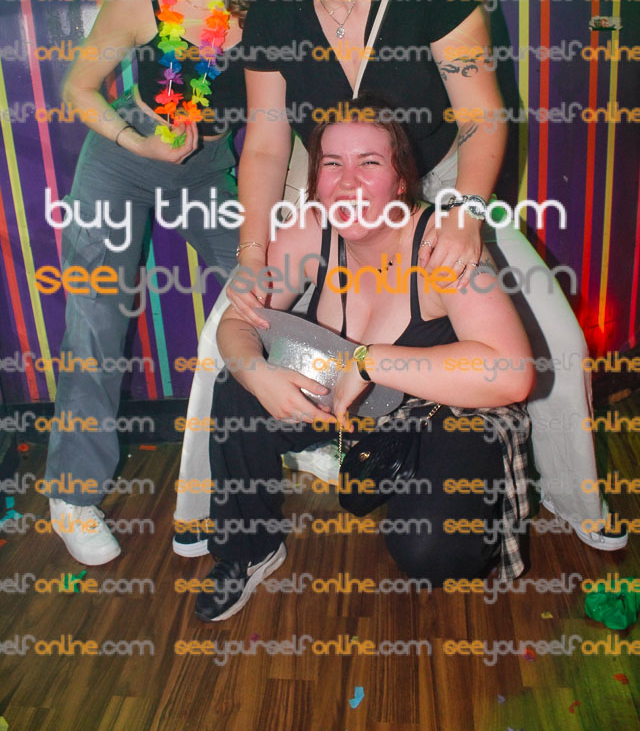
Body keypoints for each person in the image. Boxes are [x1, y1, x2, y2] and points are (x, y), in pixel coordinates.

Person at [224, 0, 626, 552]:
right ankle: (218, 522)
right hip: (328, 179)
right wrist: (252, 251)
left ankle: (572, 498)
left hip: (440, 178)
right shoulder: (274, 9)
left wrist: (465, 212)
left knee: (557, 341)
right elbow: (264, 143)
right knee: (225, 333)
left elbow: (482, 117)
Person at [193, 104, 534, 622]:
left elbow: (512, 375)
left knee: (433, 554)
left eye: (369, 163)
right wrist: (257, 375)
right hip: (346, 399)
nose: (347, 182)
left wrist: (371, 360)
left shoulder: (443, 246)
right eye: (332, 164)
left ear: (401, 180)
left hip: (440, 411)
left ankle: (445, 498)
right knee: (236, 387)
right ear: (315, 178)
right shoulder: (311, 229)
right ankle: (249, 548)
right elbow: (238, 321)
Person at [43, 0, 262, 566]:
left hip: (209, 170)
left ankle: (297, 430)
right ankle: (71, 494)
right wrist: (134, 144)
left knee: (267, 289)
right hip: (122, 162)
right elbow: (78, 89)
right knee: (95, 322)